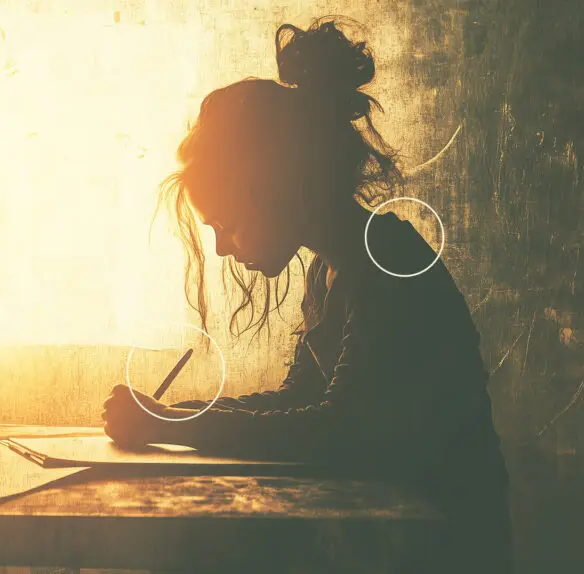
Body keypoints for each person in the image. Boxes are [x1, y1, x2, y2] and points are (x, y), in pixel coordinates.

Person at [101, 17, 512, 574]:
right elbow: (297, 401)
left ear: (274, 187)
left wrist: (172, 424)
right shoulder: (330, 269)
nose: (222, 247)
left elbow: (335, 428)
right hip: (386, 537)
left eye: (226, 222)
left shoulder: (388, 261)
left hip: (444, 548)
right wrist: (172, 414)